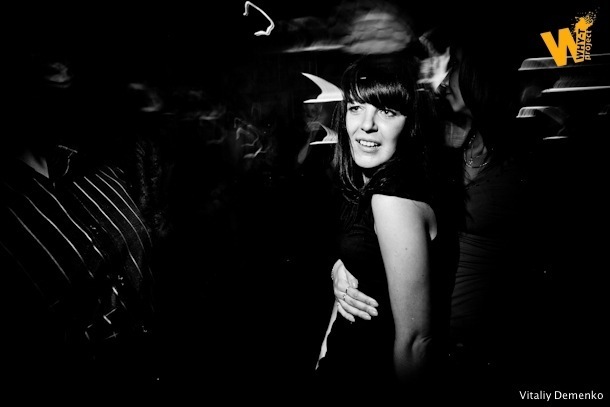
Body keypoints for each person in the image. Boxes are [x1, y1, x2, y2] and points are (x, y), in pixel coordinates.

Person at [330, 20, 545, 403]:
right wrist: (347, 267)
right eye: (356, 108)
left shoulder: (522, 164)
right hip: (435, 344)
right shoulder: (440, 156)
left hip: (475, 345)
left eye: (452, 69)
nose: (442, 82)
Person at [1, 41, 158, 401]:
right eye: (45, 66)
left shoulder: (102, 169)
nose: (61, 76)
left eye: (64, 65)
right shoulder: (5, 213)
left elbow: (150, 267)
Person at [313, 53, 448, 403]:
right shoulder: (365, 187)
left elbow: (416, 342)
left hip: (369, 387)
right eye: (356, 108)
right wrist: (339, 270)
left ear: (411, 122)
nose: (366, 125)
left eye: (387, 111)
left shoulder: (392, 199)